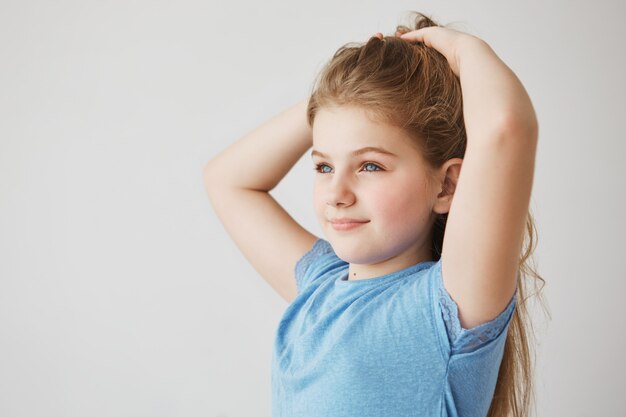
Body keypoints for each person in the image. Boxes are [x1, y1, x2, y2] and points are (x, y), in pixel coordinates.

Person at [203, 11, 546, 417]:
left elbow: (506, 128)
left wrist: (459, 49)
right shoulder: (318, 288)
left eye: (370, 166)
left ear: (447, 185)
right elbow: (226, 179)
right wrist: (337, 99)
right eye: (325, 166)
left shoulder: (448, 307)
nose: (337, 194)